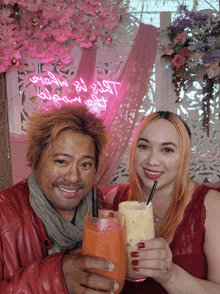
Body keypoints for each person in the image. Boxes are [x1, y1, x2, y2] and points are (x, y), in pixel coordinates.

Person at [0, 105, 118, 294]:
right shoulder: (4, 216)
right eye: (61, 161)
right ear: (35, 160)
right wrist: (57, 278)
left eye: (85, 164)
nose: (73, 177)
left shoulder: (105, 214)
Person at [105, 111, 220, 293]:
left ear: (184, 156)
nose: (152, 161)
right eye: (144, 146)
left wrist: (169, 275)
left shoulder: (212, 206)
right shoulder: (114, 200)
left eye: (167, 150)